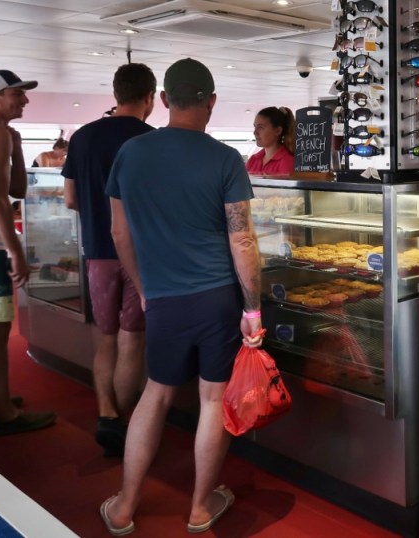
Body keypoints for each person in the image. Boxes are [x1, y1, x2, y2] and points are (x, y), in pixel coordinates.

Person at [100, 58, 263, 535]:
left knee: (157, 395)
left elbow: (118, 232)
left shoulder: (131, 152)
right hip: (217, 299)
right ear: (212, 102)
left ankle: (125, 507)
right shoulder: (226, 159)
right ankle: (198, 508)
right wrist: (252, 309)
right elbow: (243, 240)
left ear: (165, 100)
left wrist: (146, 288)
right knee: (213, 401)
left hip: (165, 298)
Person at [62, 63, 156, 457]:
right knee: (132, 340)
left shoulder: (82, 137)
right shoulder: (152, 140)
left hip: (97, 254)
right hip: (140, 256)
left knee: (104, 338)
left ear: (115, 94)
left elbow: (69, 199)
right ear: (150, 98)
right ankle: (126, 421)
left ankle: (105, 413)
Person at [0, 70, 56, 436]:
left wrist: (18, 148)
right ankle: (5, 413)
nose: (24, 100)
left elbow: (17, 189)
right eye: (16, 94)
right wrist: (15, 251)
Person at [245, 106, 294, 176]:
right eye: (255, 127)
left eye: (261, 128)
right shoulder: (253, 160)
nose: (255, 132)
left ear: (278, 131)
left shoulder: (287, 162)